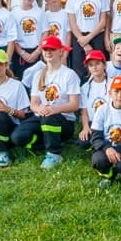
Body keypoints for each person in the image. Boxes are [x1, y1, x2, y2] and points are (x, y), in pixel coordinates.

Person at [29, 36, 81, 169]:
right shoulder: (38, 75)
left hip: (64, 120)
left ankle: (54, 154)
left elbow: (74, 105)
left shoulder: (69, 74)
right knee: (19, 137)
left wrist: (54, 109)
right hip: (42, 115)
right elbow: (33, 104)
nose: (48, 52)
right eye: (45, 49)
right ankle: (50, 140)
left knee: (49, 118)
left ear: (61, 52)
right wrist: (40, 109)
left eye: (52, 49)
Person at [67, 0, 107, 79]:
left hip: (96, 35)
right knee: (79, 70)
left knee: (97, 69)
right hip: (79, 37)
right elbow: (72, 22)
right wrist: (83, 41)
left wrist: (88, 38)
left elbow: (103, 21)